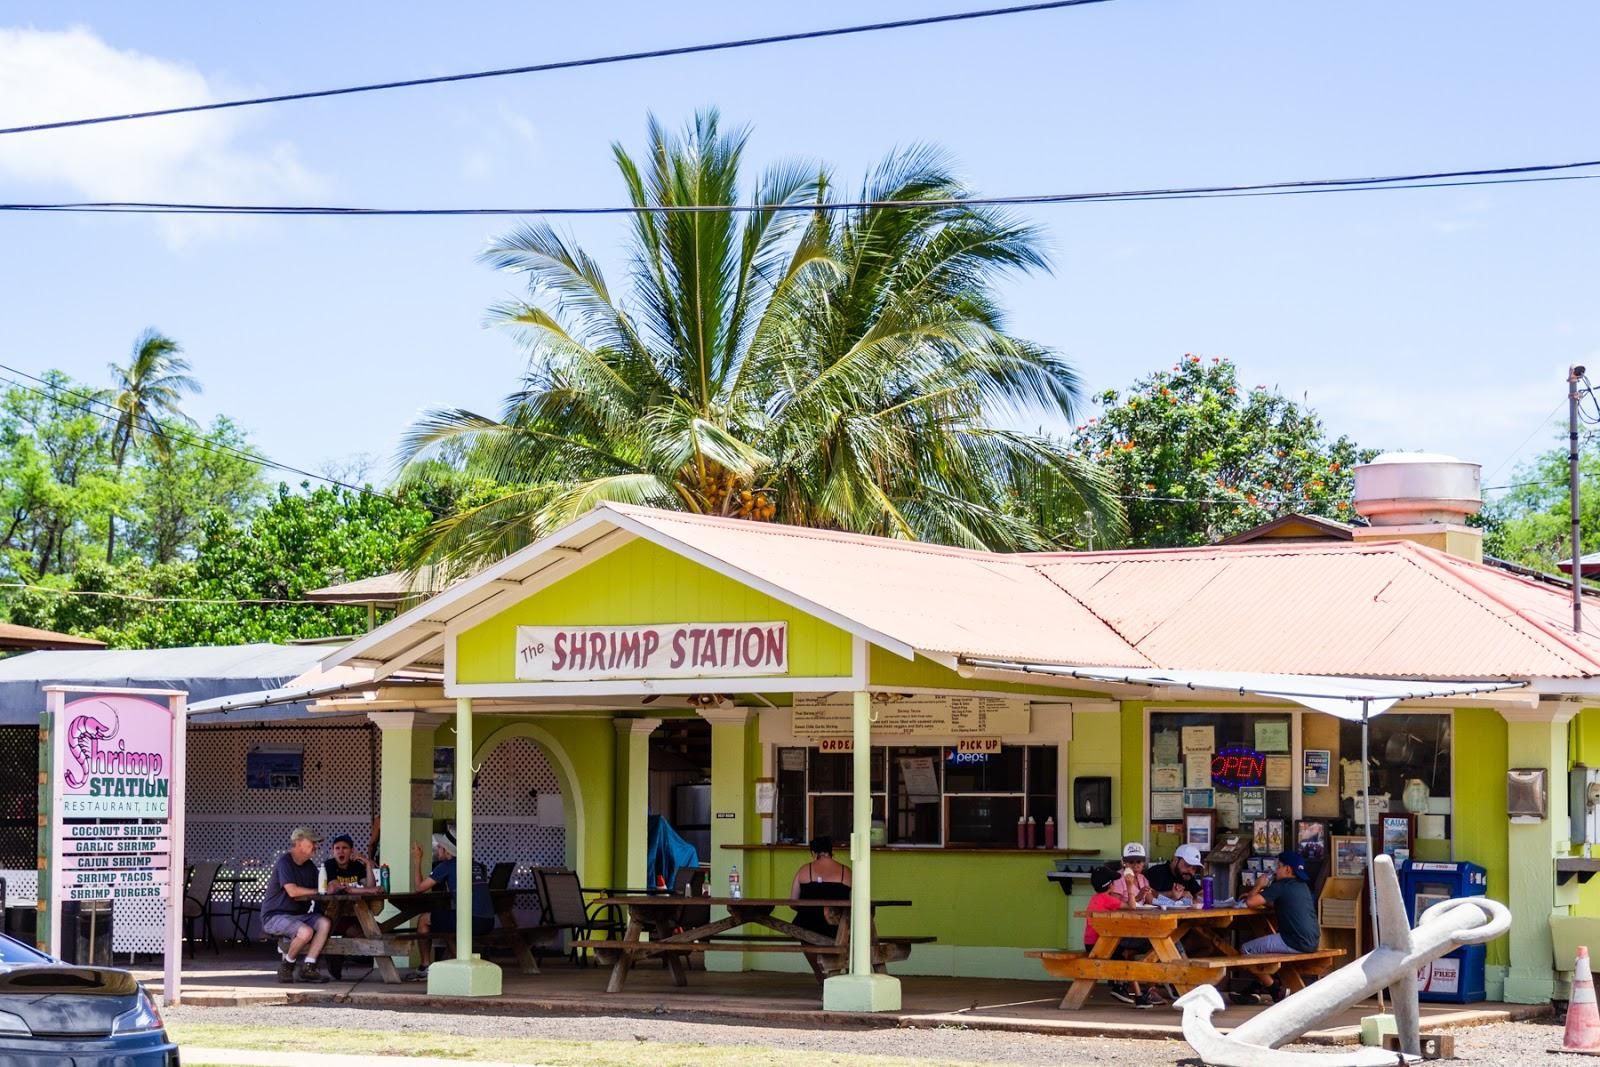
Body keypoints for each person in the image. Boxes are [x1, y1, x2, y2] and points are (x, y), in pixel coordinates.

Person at [409, 832, 493, 977]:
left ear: (447, 851)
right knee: (447, 924)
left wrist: (417, 860)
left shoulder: (446, 866)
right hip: (488, 921)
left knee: (424, 919)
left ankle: (425, 966)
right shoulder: (476, 865)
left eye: (440, 847)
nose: (438, 850)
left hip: (471, 920)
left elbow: (419, 888)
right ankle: (461, 965)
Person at [1242, 850, 1322, 1001]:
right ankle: (1256, 987)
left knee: (1246, 949)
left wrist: (1258, 885)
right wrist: (1259, 896)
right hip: (1312, 941)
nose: (1276, 870)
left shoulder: (1282, 885)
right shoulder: (1302, 886)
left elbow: (1250, 903)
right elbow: (1280, 903)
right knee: (1263, 949)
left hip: (1293, 941)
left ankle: (1274, 989)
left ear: (1288, 869)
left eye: (1278, 866)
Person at [1085, 863, 1162, 1008]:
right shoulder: (1107, 899)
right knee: (1131, 956)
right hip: (1102, 944)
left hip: (1093, 943)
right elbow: (1132, 906)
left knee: (1125, 955)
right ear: (1110, 885)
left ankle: (1125, 989)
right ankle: (1130, 993)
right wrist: (1129, 885)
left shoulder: (1096, 899)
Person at [261, 826, 331, 984]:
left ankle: (309, 966)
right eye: (312, 842)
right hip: (275, 916)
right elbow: (292, 891)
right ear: (298, 842)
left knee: (324, 923)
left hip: (298, 916)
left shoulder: (310, 866)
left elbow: (321, 887)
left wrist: (332, 886)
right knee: (305, 932)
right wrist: (318, 891)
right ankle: (287, 965)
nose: (316, 846)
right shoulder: (284, 862)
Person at [789, 836, 852, 981]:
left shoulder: (805, 870)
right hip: (838, 926)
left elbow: (793, 901)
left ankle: (820, 974)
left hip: (809, 923)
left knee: (804, 935)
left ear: (813, 853)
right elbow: (854, 901)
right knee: (846, 936)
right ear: (831, 852)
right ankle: (835, 974)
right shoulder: (846, 871)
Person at [322, 833, 377, 979]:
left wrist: (367, 864)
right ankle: (336, 955)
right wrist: (369, 890)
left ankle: (338, 956)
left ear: (351, 851)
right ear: (332, 851)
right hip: (331, 916)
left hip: (353, 913)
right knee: (361, 933)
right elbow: (338, 887)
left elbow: (371, 885)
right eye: (337, 848)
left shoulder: (356, 866)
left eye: (345, 848)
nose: (341, 851)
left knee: (368, 933)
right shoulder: (329, 865)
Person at [1108, 841, 1154, 906]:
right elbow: (1115, 905)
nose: (1135, 866)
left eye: (1138, 862)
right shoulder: (1118, 878)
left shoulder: (1142, 878)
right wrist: (1138, 897)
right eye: (1131, 862)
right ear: (1124, 863)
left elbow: (1150, 901)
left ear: (1143, 863)